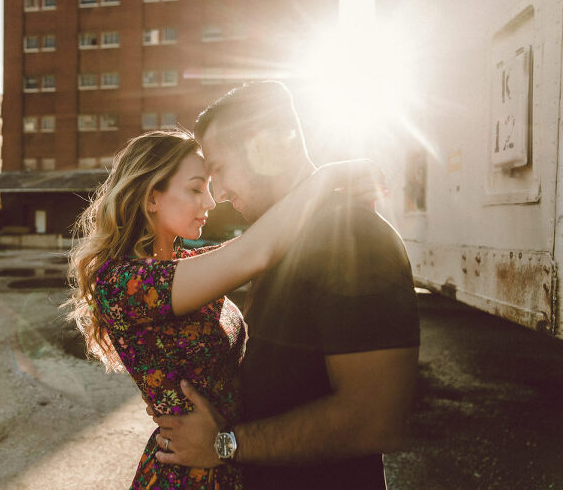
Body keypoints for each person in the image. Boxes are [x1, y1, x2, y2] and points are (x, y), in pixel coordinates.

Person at [66, 128, 383, 489]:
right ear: (152, 197)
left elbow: (264, 244)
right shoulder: (124, 283)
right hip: (188, 474)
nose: (211, 202)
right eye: (196, 189)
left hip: (228, 459)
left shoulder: (184, 265)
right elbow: (255, 251)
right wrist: (327, 176)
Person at [151, 81, 420, 489]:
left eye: (219, 170)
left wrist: (224, 444)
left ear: (268, 148)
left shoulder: (353, 238)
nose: (218, 194)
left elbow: (374, 420)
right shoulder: (278, 241)